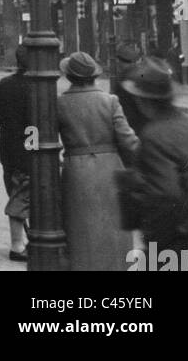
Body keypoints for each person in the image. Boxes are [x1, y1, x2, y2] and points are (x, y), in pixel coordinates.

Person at [56, 50, 139, 271]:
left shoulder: (60, 103)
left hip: (76, 171)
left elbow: (41, 138)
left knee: (80, 229)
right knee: (113, 231)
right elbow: (128, 140)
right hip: (110, 170)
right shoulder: (110, 101)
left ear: (69, 77)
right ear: (94, 75)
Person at [120, 56, 188, 254]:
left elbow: (165, 196)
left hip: (181, 245)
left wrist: (156, 248)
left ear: (141, 100)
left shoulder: (154, 136)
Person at [0, 45, 31, 262]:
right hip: (30, 150)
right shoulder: (38, 86)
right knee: (23, 195)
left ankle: (26, 237)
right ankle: (18, 244)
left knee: (16, 190)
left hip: (8, 148)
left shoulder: (5, 84)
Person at [114, 44, 144, 134]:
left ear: (119, 61)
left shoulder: (123, 79)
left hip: (130, 125)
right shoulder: (141, 74)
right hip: (143, 124)